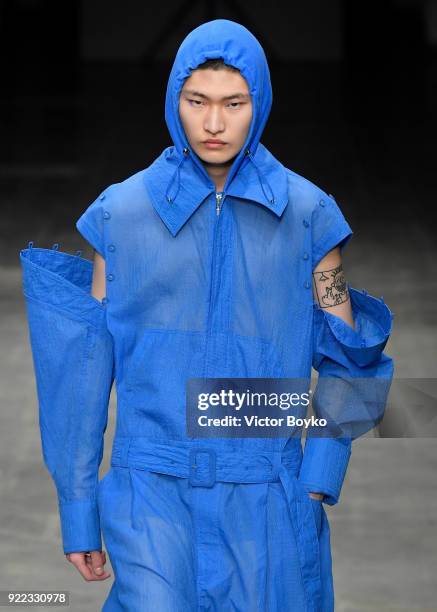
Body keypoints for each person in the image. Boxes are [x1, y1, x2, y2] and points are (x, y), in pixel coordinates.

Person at [20, 18, 394, 612]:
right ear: (174, 100)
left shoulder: (308, 217)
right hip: (152, 495)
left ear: (260, 103)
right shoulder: (119, 217)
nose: (214, 123)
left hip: (269, 497)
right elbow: (79, 379)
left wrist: (322, 466)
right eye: (197, 101)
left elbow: (354, 356)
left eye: (234, 103)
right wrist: (79, 511)